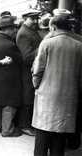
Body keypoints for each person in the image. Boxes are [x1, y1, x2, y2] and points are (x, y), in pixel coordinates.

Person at [32, 15, 82, 156]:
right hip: (69, 96)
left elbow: (38, 70)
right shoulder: (79, 46)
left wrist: (37, 86)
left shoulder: (47, 43)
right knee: (60, 133)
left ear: (53, 27)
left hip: (47, 96)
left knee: (42, 133)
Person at [0, 15, 23, 137]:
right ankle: (7, 130)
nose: (14, 30)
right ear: (6, 29)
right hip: (9, 79)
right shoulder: (10, 44)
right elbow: (21, 60)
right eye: (12, 28)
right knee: (9, 105)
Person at [16, 9, 42, 136]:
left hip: (32, 71)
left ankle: (27, 124)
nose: (36, 21)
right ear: (25, 18)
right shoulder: (23, 34)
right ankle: (24, 125)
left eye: (37, 18)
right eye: (32, 19)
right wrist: (42, 47)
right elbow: (27, 57)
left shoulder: (31, 31)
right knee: (27, 98)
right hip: (27, 72)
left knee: (30, 97)